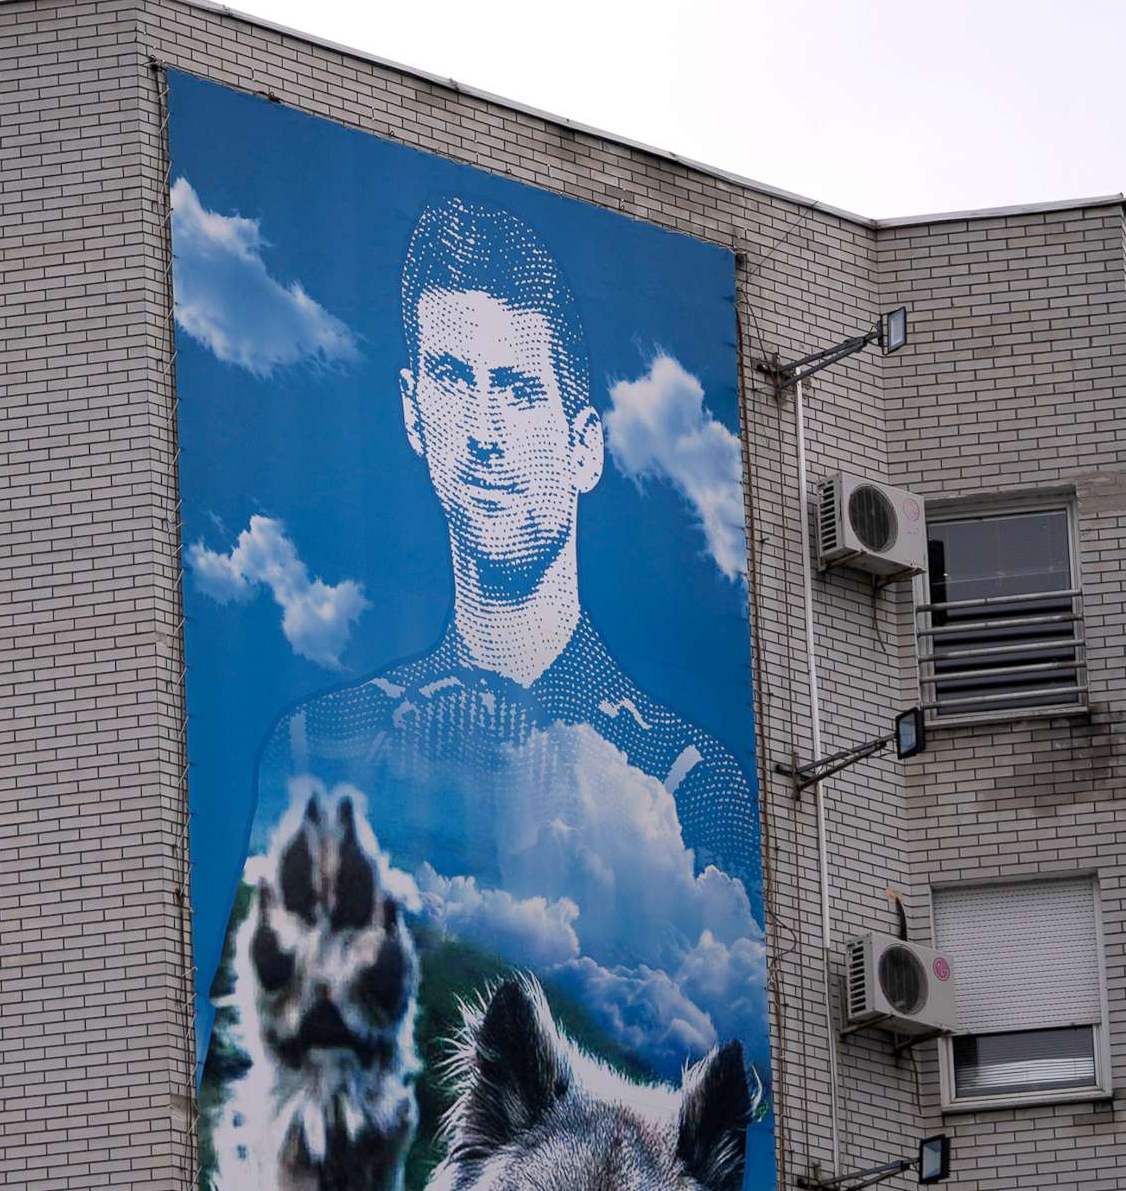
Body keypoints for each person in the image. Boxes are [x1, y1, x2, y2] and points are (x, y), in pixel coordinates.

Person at [242, 195, 758, 900]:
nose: (483, 431)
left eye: (517, 391)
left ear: (584, 449)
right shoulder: (321, 745)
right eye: (454, 381)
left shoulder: (689, 782)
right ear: (413, 411)